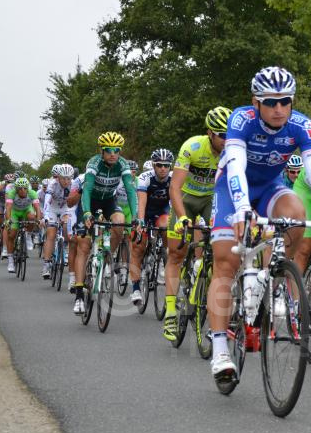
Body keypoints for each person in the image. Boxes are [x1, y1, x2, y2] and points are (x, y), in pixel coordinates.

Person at [207, 66, 311, 380]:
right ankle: (220, 350)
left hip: (270, 187)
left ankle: (273, 273)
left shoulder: (301, 125)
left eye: (285, 101)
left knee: (294, 210)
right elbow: (237, 167)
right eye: (270, 102)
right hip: (233, 188)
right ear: (256, 102)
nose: (278, 108)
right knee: (226, 262)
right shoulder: (241, 120)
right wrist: (242, 210)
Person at [162, 106, 232, 340]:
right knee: (176, 254)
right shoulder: (192, 147)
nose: (226, 139)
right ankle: (171, 312)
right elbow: (175, 187)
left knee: (221, 255)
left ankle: (212, 307)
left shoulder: (233, 149)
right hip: (187, 198)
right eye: (221, 134)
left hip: (213, 198)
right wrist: (182, 216)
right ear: (209, 133)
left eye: (229, 133)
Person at [73, 132, 137, 315]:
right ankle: (78, 295)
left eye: (116, 150)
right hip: (90, 202)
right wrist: (86, 213)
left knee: (120, 222)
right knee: (83, 245)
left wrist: (136, 217)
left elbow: (131, 191)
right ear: (102, 151)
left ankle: (107, 255)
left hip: (109, 201)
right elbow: (86, 190)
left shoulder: (122, 165)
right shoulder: (94, 163)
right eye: (108, 150)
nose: (113, 153)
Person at [129, 148, 173, 306]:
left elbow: (175, 202)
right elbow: (141, 202)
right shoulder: (144, 177)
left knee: (167, 225)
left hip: (162, 212)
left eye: (166, 165)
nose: (163, 168)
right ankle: (135, 288)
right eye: (160, 165)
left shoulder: (173, 178)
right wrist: (140, 222)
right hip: (144, 212)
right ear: (154, 165)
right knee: (138, 247)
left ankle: (163, 258)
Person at [4, 177, 43, 273]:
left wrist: (38, 220)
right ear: (16, 189)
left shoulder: (32, 193)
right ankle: (10, 261)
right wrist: (8, 220)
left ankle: (28, 235)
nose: (22, 191)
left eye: (25, 188)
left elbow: (37, 208)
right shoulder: (11, 193)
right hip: (15, 212)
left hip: (26, 210)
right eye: (20, 189)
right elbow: (8, 208)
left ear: (27, 188)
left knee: (32, 217)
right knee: (12, 235)